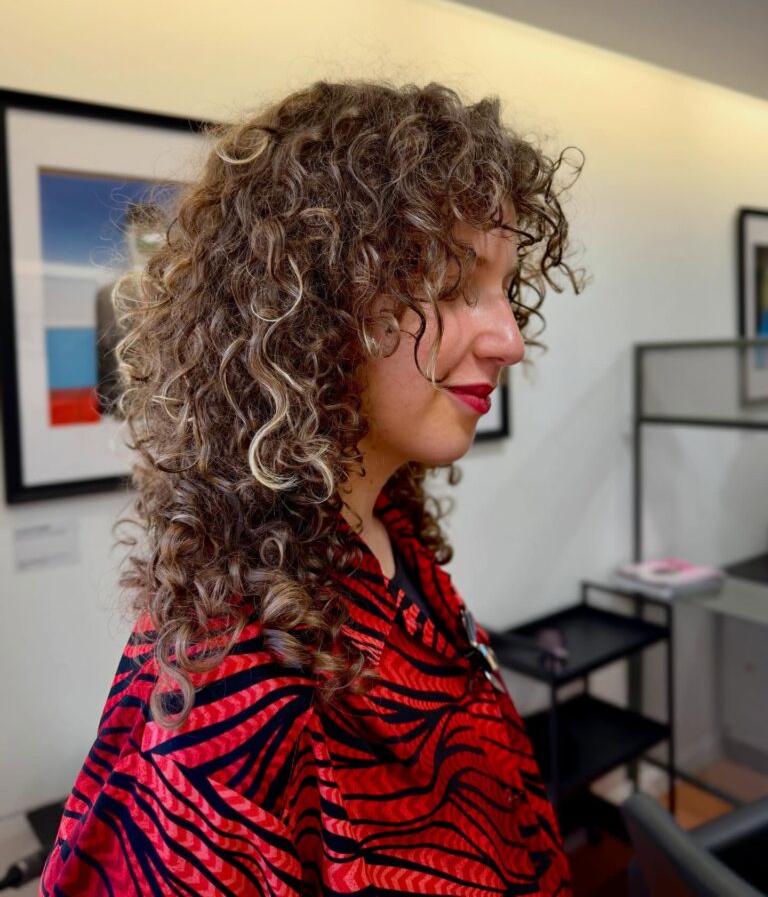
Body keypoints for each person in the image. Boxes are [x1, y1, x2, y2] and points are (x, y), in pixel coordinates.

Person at [40, 79, 585, 896]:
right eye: (449, 283)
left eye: (506, 290)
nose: (510, 339)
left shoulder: (384, 531)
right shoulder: (232, 682)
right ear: (313, 306)